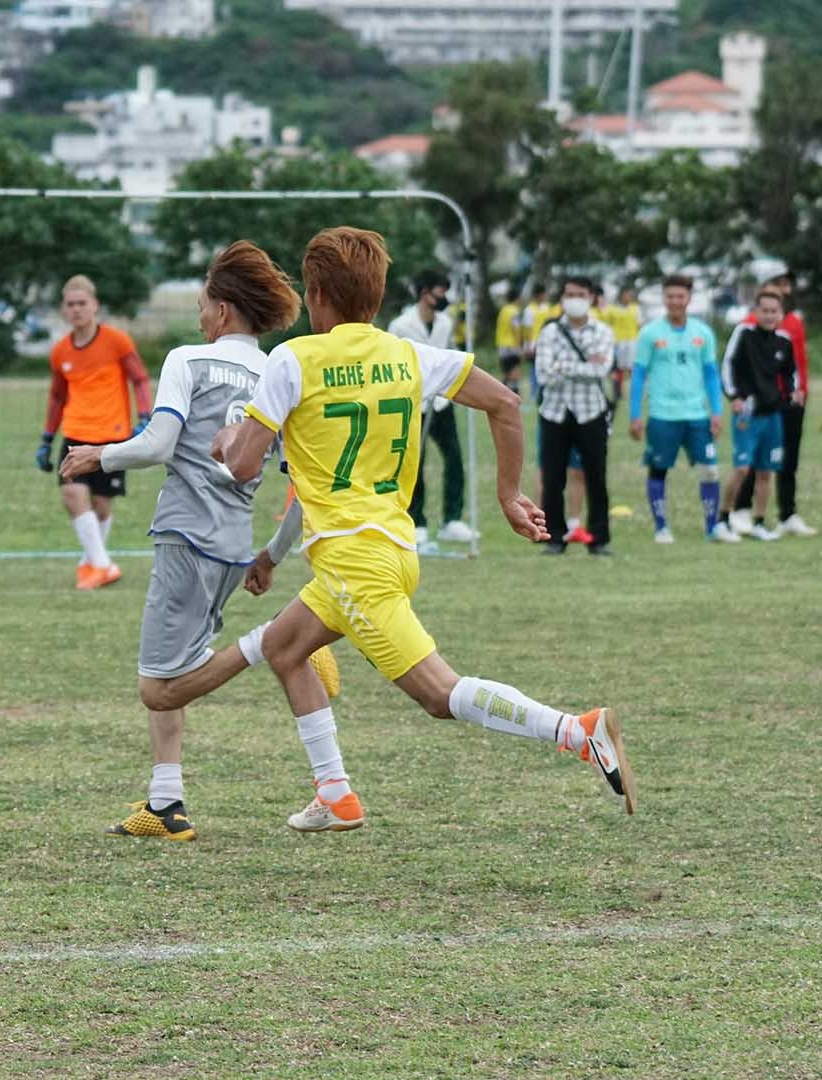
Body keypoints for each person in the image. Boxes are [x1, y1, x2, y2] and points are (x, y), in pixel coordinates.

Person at [206, 227, 633, 831]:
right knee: (284, 648)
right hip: (391, 550)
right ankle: (335, 795)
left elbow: (245, 464)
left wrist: (228, 438)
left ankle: (577, 731)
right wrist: (508, 495)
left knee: (438, 694)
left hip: (351, 562)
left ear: (316, 294)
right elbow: (506, 403)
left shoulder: (293, 359)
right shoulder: (408, 354)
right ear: (377, 297)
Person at [59, 241, 336, 841]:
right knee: (175, 663)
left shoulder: (189, 360)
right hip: (235, 549)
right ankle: (165, 803)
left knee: (156, 688)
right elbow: (304, 488)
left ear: (224, 309)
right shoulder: (279, 372)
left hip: (186, 537)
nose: (200, 318)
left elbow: (159, 444)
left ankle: (273, 640)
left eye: (204, 307)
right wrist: (271, 555)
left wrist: (99, 455)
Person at [35, 274, 153, 589]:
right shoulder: (60, 351)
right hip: (75, 433)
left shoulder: (117, 341)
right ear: (64, 309)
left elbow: (140, 379)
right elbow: (57, 397)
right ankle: (102, 565)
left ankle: (90, 562)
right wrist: (47, 439)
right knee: (71, 493)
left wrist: (144, 414)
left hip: (112, 435)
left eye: (82, 303)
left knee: (101, 505)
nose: (76, 309)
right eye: (70, 304)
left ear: (95, 305)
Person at [630, 274, 730, 544]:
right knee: (659, 469)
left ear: (689, 299)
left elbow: (711, 374)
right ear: (664, 298)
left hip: (697, 414)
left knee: (710, 470)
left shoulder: (703, 333)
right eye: (670, 296)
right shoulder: (650, 333)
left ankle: (712, 528)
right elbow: (638, 375)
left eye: (680, 296)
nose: (675, 301)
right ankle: (661, 528)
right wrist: (635, 415)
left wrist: (717, 411)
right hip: (662, 414)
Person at [388, 270, 474, 551]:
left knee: (454, 457)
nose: (444, 298)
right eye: (439, 292)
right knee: (415, 462)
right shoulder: (401, 325)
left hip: (441, 402)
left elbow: (450, 355)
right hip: (414, 402)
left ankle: (452, 519)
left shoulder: (445, 323)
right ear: (424, 293)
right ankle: (417, 521)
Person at [533, 276, 616, 556]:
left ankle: (599, 538)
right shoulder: (550, 332)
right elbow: (544, 374)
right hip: (554, 412)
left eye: (580, 294)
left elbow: (601, 370)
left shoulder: (602, 331)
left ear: (591, 298)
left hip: (591, 411)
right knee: (553, 477)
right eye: (569, 294)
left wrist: (562, 365)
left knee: (596, 476)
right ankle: (554, 537)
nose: (574, 300)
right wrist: (582, 365)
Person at [730, 272, 816, 537]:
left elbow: (797, 363)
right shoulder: (749, 327)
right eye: (777, 285)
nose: (783, 289)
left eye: (786, 286)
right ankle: (742, 509)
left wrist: (800, 391)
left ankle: (787, 514)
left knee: (786, 459)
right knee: (753, 460)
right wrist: (738, 395)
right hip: (758, 403)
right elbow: (736, 364)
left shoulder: (793, 324)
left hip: (787, 401)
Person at [720, 290, 799, 541]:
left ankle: (759, 522)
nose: (769, 315)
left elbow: (791, 374)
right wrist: (735, 396)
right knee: (742, 469)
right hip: (747, 414)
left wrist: (793, 393)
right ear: (756, 312)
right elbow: (728, 365)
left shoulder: (784, 341)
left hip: (772, 415)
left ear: (781, 314)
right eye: (764, 310)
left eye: (773, 311)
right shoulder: (744, 334)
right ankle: (722, 519)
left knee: (766, 472)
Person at [494, 286, 526, 388]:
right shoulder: (514, 311)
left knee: (507, 373)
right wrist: (519, 347)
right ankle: (513, 392)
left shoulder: (503, 310)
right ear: (518, 298)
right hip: (511, 346)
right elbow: (516, 329)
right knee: (515, 373)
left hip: (501, 346)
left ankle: (501, 390)